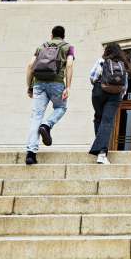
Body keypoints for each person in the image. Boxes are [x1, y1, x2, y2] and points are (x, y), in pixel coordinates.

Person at [25, 25, 75, 165]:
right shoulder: (68, 47)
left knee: (36, 116)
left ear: (51, 35)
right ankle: (47, 125)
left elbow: (30, 66)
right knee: (61, 108)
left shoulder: (41, 46)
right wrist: (69, 87)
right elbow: (69, 65)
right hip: (57, 83)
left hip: (39, 84)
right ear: (63, 36)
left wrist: (29, 86)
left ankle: (31, 154)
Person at [88, 42, 129, 164]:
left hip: (99, 91)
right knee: (107, 121)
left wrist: (99, 87)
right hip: (115, 94)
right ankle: (102, 154)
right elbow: (125, 86)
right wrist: (119, 96)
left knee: (98, 118)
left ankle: (100, 148)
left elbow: (92, 77)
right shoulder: (123, 64)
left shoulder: (101, 61)